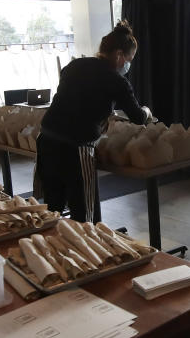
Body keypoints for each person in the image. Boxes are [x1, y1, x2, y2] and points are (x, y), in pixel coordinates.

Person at [37, 20, 152, 222]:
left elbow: (77, 100)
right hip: (74, 148)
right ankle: (88, 250)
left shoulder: (74, 65)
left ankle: (52, 250)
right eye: (129, 58)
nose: (128, 64)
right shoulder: (117, 80)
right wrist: (147, 111)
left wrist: (102, 114)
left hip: (46, 140)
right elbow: (137, 117)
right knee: (85, 213)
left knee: (52, 209)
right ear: (118, 55)